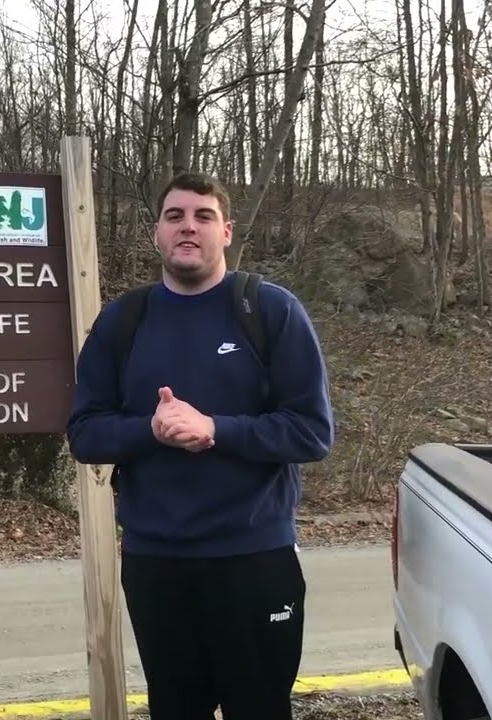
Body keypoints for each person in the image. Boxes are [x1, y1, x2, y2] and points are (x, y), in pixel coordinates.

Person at [65, 171, 335, 719]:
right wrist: (151, 429)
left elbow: (311, 431)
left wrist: (216, 429)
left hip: (255, 558)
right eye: (175, 216)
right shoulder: (123, 321)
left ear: (227, 231)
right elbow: (85, 433)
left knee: (259, 709)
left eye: (203, 216)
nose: (189, 227)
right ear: (157, 235)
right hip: (156, 563)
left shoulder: (270, 312)